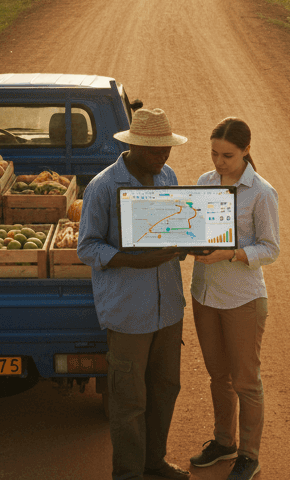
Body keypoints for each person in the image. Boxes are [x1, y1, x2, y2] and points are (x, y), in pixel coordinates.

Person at [78, 107, 192, 480]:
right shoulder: (103, 187)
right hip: (128, 315)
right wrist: (132, 261)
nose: (162, 158)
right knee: (129, 402)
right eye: (155, 151)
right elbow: (88, 247)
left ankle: (154, 463)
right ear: (135, 146)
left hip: (168, 309)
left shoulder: (168, 176)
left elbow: (174, 229)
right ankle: (128, 474)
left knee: (164, 390)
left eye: (166, 150)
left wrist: (192, 241)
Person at [187, 117, 280, 480]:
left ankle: (249, 456)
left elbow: (270, 249)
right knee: (217, 377)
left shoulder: (261, 192)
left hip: (242, 299)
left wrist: (230, 253)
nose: (218, 162)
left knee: (245, 381)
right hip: (204, 294)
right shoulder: (203, 183)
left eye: (227, 155)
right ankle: (224, 442)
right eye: (214, 153)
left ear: (246, 151)